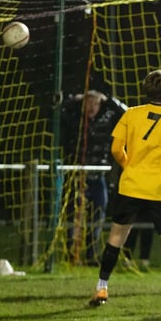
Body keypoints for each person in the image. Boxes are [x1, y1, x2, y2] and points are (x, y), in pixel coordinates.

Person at [89, 69, 161, 311]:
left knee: (116, 238)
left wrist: (129, 164)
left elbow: (116, 149)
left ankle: (101, 286)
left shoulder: (131, 114)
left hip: (131, 185)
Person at [61, 90, 126, 266]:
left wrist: (109, 100)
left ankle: (91, 254)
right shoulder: (75, 120)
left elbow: (126, 113)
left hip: (98, 177)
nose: (91, 107)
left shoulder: (106, 118)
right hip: (76, 175)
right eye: (88, 103)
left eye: (95, 103)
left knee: (97, 216)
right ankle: (71, 253)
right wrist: (73, 98)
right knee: (74, 215)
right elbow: (59, 110)